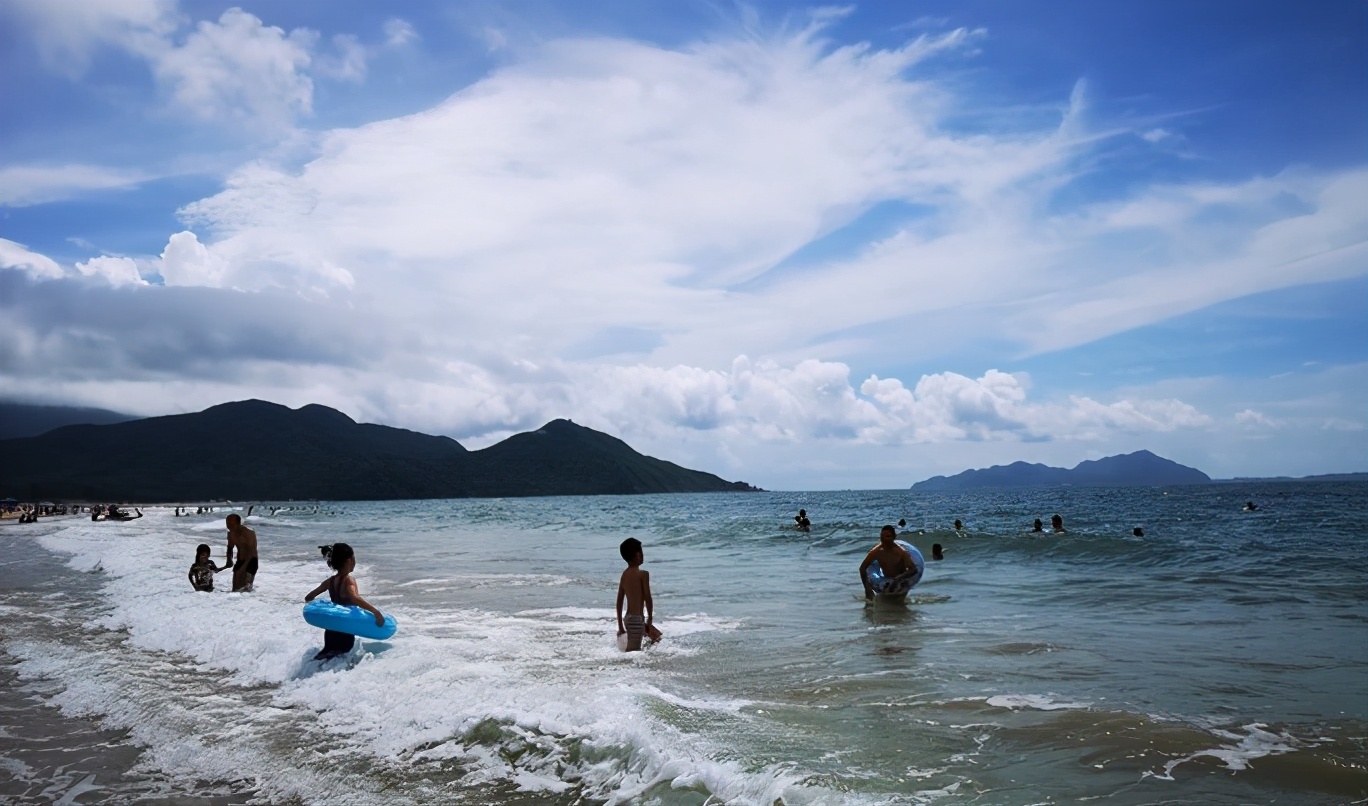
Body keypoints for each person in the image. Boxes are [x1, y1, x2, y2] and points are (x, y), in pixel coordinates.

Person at [304, 543, 385, 661]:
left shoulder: (330, 581)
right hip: (345, 628)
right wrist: (375, 612)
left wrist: (319, 609)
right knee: (342, 658)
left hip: (331, 627)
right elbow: (354, 598)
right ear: (349, 561)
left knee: (326, 654)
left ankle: (307, 670)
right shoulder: (349, 580)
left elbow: (309, 597)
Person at [616, 537, 662, 651]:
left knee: (656, 637)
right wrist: (650, 618)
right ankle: (633, 661)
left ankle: (645, 657)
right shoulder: (643, 575)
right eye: (641, 551)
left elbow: (619, 601)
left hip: (629, 619)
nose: (642, 554)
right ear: (637, 555)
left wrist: (621, 626)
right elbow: (648, 598)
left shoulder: (624, 575)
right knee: (632, 651)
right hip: (636, 621)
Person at [859, 525, 918, 601]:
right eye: (882, 536)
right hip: (886, 580)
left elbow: (913, 569)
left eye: (887, 536)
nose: (884, 539)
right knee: (885, 603)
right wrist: (867, 588)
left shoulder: (901, 552)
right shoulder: (876, 552)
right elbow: (862, 568)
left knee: (898, 603)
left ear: (894, 537)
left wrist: (898, 578)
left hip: (901, 580)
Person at [224, 513, 258, 591]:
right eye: (227, 524)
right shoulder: (231, 534)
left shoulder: (249, 533)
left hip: (251, 561)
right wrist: (229, 560)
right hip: (240, 561)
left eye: (232, 525)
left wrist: (243, 568)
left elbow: (251, 551)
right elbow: (230, 548)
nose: (229, 527)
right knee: (235, 589)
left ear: (238, 524)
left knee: (245, 588)